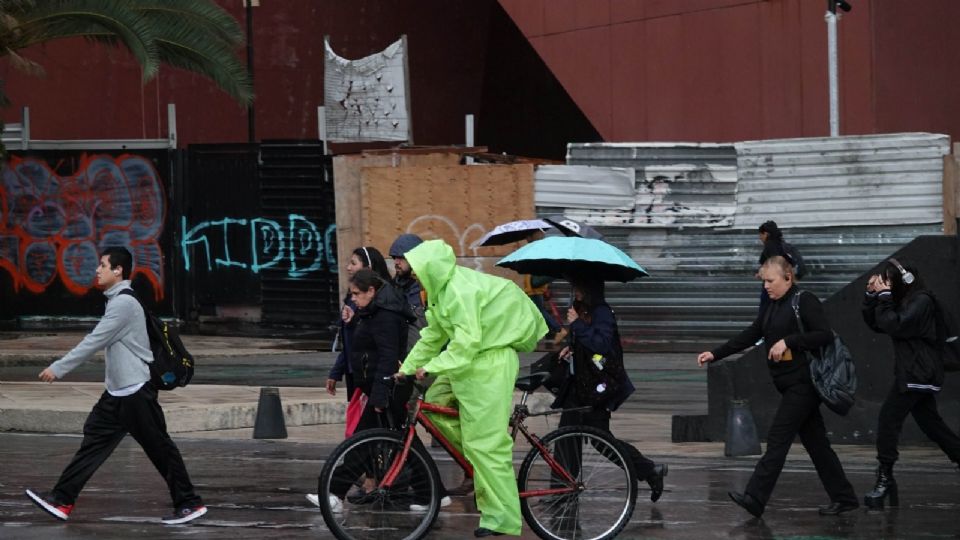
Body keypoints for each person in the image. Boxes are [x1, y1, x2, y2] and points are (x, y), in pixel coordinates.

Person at [24, 247, 206, 525]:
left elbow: (94, 341)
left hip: (136, 393)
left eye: (103, 265)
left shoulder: (123, 304)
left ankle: (189, 503)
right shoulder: (116, 301)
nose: (97, 270)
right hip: (117, 395)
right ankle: (61, 500)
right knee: (93, 444)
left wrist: (58, 368)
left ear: (118, 270)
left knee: (161, 450)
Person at [397, 239, 547, 538]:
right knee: (436, 405)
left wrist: (433, 367)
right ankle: (475, 450)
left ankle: (501, 519)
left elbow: (467, 343)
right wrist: (406, 368)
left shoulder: (459, 291)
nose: (413, 274)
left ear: (429, 268)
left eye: (416, 269)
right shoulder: (441, 293)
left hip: (489, 363)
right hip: (468, 363)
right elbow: (433, 336)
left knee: (487, 447)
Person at [697, 255, 858, 518]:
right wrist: (715, 354)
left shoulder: (803, 300)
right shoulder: (772, 306)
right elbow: (752, 333)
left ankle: (755, 497)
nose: (766, 287)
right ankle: (845, 497)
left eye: (770, 281)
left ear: (788, 277)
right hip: (788, 384)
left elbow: (824, 334)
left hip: (804, 384)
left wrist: (790, 341)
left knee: (778, 438)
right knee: (817, 445)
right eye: (763, 282)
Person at [325, 268, 450, 511]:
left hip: (387, 388)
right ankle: (433, 493)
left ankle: (334, 492)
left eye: (357, 294)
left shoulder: (385, 316)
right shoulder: (372, 311)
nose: (354, 299)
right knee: (406, 442)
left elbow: (387, 356)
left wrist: (380, 395)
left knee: (362, 442)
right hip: (383, 386)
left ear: (372, 291)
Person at [555, 275, 667, 501]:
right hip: (578, 387)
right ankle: (562, 490)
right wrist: (570, 349)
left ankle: (648, 470)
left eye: (578, 286)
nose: (574, 290)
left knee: (602, 441)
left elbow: (602, 346)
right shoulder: (581, 309)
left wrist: (577, 324)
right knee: (566, 438)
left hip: (596, 389)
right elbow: (586, 346)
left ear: (590, 288)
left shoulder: (602, 312)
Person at [861, 258, 960, 508]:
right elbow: (877, 323)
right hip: (914, 372)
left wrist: (883, 297)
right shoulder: (905, 301)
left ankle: (884, 478)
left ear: (905, 280)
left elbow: (896, 324)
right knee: (931, 423)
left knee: (888, 420)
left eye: (889, 280)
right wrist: (871, 296)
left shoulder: (922, 301)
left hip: (920, 371)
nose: (887, 285)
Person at [309, 245, 391, 507]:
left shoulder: (383, 311)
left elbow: (384, 352)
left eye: (353, 263)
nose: (348, 267)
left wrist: (378, 393)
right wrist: (337, 371)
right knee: (370, 435)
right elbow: (351, 345)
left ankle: (339, 492)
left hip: (380, 381)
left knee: (367, 436)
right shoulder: (360, 305)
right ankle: (370, 484)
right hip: (365, 378)